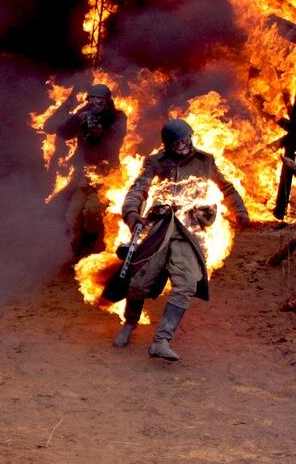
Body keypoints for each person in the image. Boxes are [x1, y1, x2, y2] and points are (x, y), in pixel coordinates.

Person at [112, 118, 250, 360]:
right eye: (178, 143)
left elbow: (227, 188)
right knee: (138, 280)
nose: (183, 145)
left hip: (190, 230)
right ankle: (130, 324)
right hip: (161, 227)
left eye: (186, 139)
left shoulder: (205, 160)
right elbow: (138, 189)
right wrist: (132, 213)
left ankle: (161, 340)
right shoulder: (156, 162)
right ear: (168, 144)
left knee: (186, 283)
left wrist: (240, 210)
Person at [47, 84, 128, 257]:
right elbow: (62, 132)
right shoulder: (84, 114)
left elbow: (116, 138)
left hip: (107, 175)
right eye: (92, 101)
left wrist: (100, 132)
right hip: (83, 174)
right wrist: (77, 119)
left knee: (93, 213)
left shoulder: (118, 117)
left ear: (107, 102)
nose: (96, 105)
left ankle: (93, 249)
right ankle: (73, 254)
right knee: (72, 215)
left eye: (100, 102)